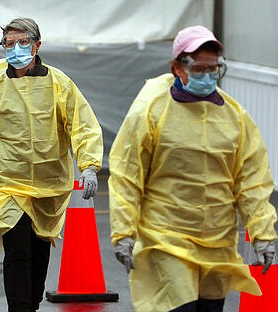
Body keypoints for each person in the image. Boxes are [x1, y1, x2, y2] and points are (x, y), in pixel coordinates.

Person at [108, 25, 278, 312]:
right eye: (199, 68)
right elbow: (127, 172)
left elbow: (252, 181)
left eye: (214, 69)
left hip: (218, 244)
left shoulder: (235, 117)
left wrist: (263, 235)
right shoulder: (151, 110)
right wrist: (123, 231)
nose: (208, 76)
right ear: (178, 67)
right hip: (166, 240)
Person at [0, 17, 103, 312]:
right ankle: (20, 309)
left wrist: (89, 166)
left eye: (23, 42)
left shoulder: (59, 84)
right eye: (9, 43)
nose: (16, 49)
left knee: (38, 252)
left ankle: (31, 303)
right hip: (6, 184)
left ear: (37, 45)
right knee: (17, 250)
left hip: (49, 187)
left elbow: (82, 125)